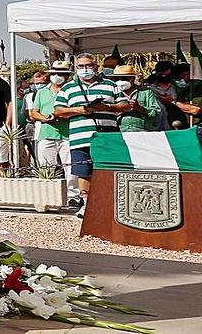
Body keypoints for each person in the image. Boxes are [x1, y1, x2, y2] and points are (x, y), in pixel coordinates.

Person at [54, 53, 130, 219]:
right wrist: (79, 110)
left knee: (107, 169)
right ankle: (86, 203)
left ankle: (109, 202)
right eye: (81, 66)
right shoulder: (68, 88)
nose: (85, 69)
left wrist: (106, 107)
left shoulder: (110, 85)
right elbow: (58, 110)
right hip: (80, 137)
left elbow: (125, 105)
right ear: (76, 68)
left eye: (88, 65)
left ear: (96, 67)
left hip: (107, 136)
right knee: (83, 171)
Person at [27, 61, 79, 207]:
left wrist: (63, 116)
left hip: (68, 134)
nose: (57, 76)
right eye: (55, 73)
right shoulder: (42, 92)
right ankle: (47, 195)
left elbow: (77, 110)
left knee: (70, 167)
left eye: (61, 74)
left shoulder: (72, 90)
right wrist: (45, 118)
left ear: (67, 76)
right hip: (46, 133)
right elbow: (34, 112)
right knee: (45, 167)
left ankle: (73, 196)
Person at [114, 65, 162, 133]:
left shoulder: (146, 92)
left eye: (123, 78)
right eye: (117, 79)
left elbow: (156, 112)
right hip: (119, 131)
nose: (120, 81)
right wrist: (120, 109)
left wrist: (139, 108)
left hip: (142, 131)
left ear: (132, 79)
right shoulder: (112, 92)